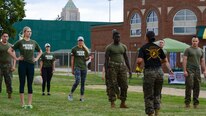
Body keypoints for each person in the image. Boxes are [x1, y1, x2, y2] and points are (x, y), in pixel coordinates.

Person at [137, 31, 170, 116]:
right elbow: (165, 60)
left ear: (146, 37)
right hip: (159, 72)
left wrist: (138, 67)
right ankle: (157, 112)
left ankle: (150, 113)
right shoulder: (158, 48)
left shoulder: (143, 48)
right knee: (157, 93)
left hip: (149, 72)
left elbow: (139, 60)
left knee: (149, 94)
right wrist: (158, 62)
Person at [8, 26, 42, 109]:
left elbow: (40, 51)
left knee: (30, 84)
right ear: (24, 32)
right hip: (22, 65)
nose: (29, 32)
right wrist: (16, 58)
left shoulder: (34, 42)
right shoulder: (20, 42)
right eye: (27, 31)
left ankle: (29, 103)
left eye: (30, 31)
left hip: (31, 65)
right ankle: (22, 103)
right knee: (22, 83)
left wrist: (36, 59)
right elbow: (9, 50)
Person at [105, 29, 132, 108]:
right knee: (112, 84)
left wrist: (129, 69)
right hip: (112, 66)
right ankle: (112, 102)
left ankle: (123, 102)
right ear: (113, 37)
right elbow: (106, 60)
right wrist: (106, 71)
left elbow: (126, 58)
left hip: (122, 67)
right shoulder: (109, 47)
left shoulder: (123, 47)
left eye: (119, 37)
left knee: (125, 85)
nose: (118, 38)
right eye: (116, 37)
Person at [183, 36, 206, 108]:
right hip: (189, 69)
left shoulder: (201, 50)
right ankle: (187, 103)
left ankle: (195, 104)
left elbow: (202, 61)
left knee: (197, 86)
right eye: (193, 41)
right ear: (191, 41)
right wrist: (184, 70)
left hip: (197, 70)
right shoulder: (188, 50)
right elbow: (184, 60)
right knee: (189, 85)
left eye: (196, 41)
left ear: (198, 42)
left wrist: (205, 70)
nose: (195, 42)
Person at [68, 36, 93, 102]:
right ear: (78, 41)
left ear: (83, 41)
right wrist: (72, 69)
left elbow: (85, 59)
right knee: (77, 80)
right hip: (77, 67)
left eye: (81, 41)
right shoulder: (74, 49)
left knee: (83, 83)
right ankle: (70, 94)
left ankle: (81, 97)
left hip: (84, 68)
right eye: (79, 40)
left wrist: (89, 58)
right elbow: (72, 60)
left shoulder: (85, 49)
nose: (80, 42)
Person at [0, 32, 16, 99]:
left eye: (6, 36)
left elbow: (14, 56)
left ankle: (9, 94)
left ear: (8, 37)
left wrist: (14, 66)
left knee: (8, 81)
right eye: (4, 36)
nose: (5, 38)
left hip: (8, 66)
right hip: (0, 65)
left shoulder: (10, 46)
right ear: (1, 37)